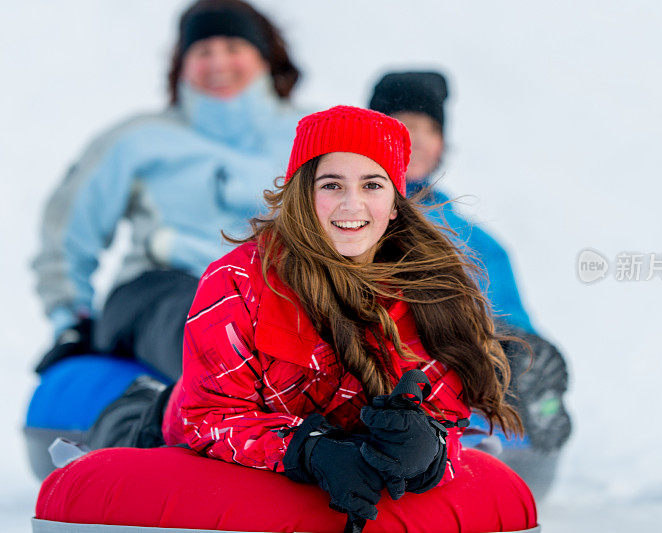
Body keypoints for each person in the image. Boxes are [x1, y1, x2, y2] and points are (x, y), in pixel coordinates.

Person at [160, 105, 526, 526]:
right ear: (304, 195)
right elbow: (211, 417)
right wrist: (307, 448)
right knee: (146, 425)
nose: (352, 204)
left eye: (372, 185)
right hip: (196, 441)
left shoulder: (433, 293)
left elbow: (448, 414)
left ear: (394, 203)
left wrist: (429, 447)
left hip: (353, 471)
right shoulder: (238, 281)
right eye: (332, 185)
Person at [31, 0, 303, 382]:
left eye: (233, 48)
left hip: (277, 291)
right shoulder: (140, 139)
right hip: (161, 289)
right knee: (210, 327)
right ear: (182, 64)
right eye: (203, 51)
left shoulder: (308, 137)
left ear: (264, 57)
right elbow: (72, 227)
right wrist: (70, 318)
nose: (218, 63)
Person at [369, 71, 572, 497]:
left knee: (513, 389)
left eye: (429, 129)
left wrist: (521, 351)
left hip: (465, 376)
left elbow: (506, 309)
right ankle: (466, 460)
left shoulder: (469, 235)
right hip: (394, 378)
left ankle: (512, 443)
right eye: (404, 127)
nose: (418, 139)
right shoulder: (353, 218)